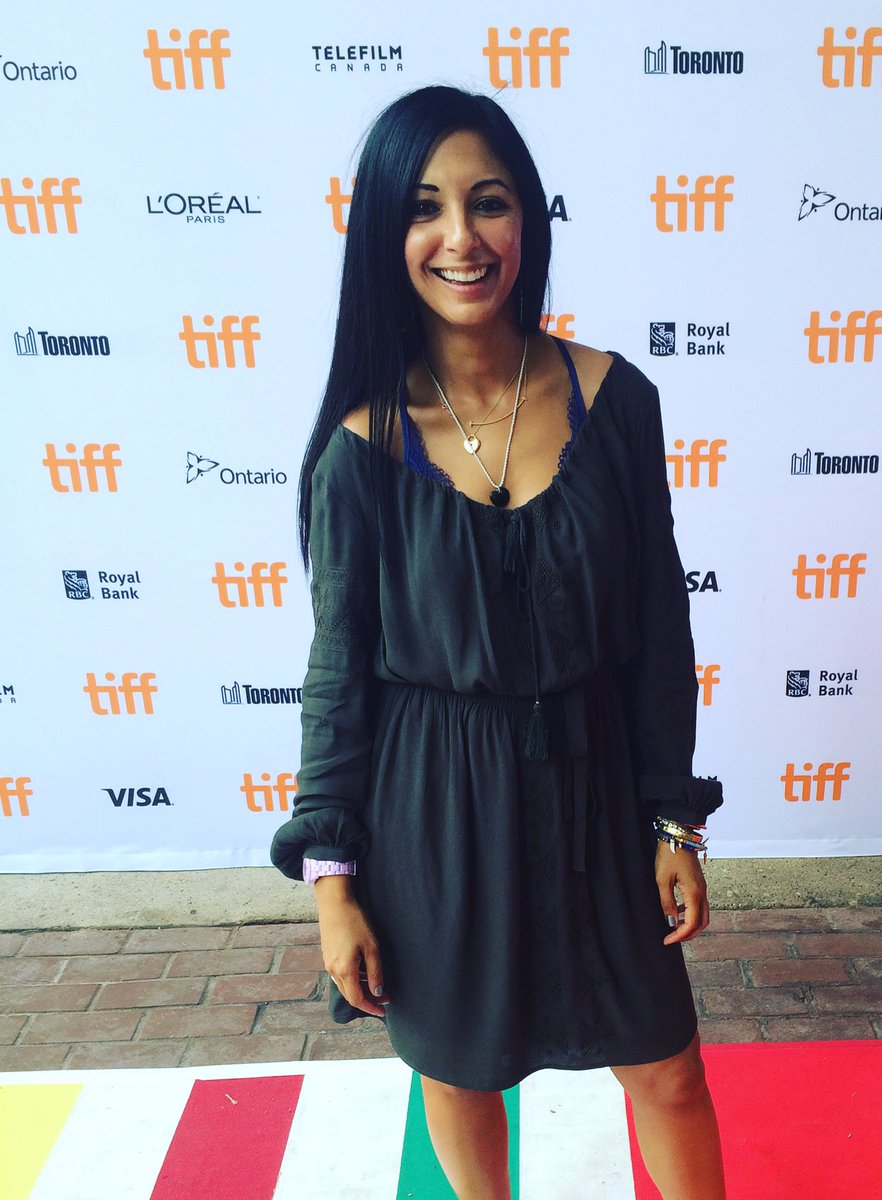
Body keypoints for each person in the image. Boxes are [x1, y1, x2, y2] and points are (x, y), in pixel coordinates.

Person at [270, 84, 726, 1199]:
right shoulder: (361, 451)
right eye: (424, 208)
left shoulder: (617, 402)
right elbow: (338, 675)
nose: (462, 238)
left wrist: (674, 819)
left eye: (489, 202)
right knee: (460, 1074)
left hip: (598, 789)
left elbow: (660, 629)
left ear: (529, 217)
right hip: (434, 808)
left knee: (667, 1072)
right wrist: (333, 885)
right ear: (385, 236)